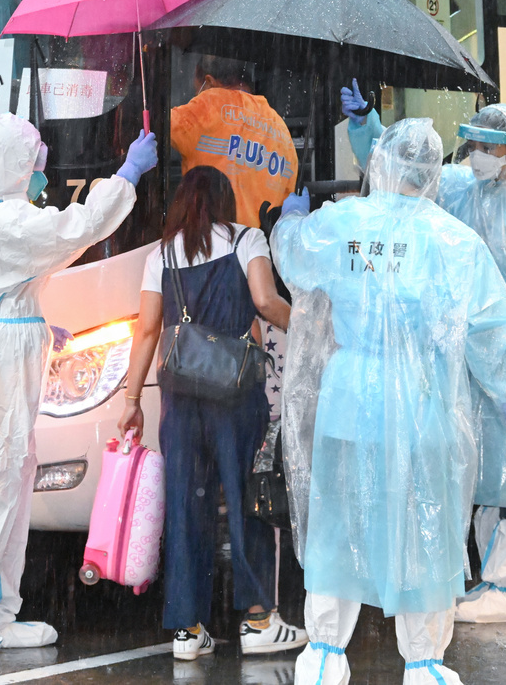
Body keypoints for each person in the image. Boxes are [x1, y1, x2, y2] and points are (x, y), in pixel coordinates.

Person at [271, 119, 506, 685]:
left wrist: (289, 220)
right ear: (433, 171)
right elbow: (494, 328)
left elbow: (293, 254)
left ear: (380, 162)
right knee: (424, 532)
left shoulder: (343, 223)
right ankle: (425, 662)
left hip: (350, 398)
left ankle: (324, 655)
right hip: (421, 406)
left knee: (339, 529)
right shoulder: (453, 240)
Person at [0, 112, 157, 656]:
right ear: (14, 163)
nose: (41, 166)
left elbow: (10, 279)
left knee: (12, 485)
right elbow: (72, 231)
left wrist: (34, 325)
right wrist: (127, 176)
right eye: (34, 157)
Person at [342, 85, 506, 622]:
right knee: (478, 465)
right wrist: (367, 125)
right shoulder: (453, 187)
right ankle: (491, 580)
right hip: (467, 349)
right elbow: (401, 164)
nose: (477, 156)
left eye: (489, 148)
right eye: (472, 145)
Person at [118, 165, 307, 661]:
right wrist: (312, 327)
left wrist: (132, 401)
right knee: (248, 498)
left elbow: (146, 330)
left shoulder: (160, 254)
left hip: (179, 398)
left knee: (185, 505)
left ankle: (187, 629)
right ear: (225, 200)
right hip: (235, 393)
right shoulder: (247, 239)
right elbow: (266, 302)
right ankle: (258, 620)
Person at [170, 56, 298, 229]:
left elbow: (154, 126)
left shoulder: (207, 107)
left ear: (208, 82)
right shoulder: (281, 128)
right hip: (264, 241)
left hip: (212, 239)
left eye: (197, 89)